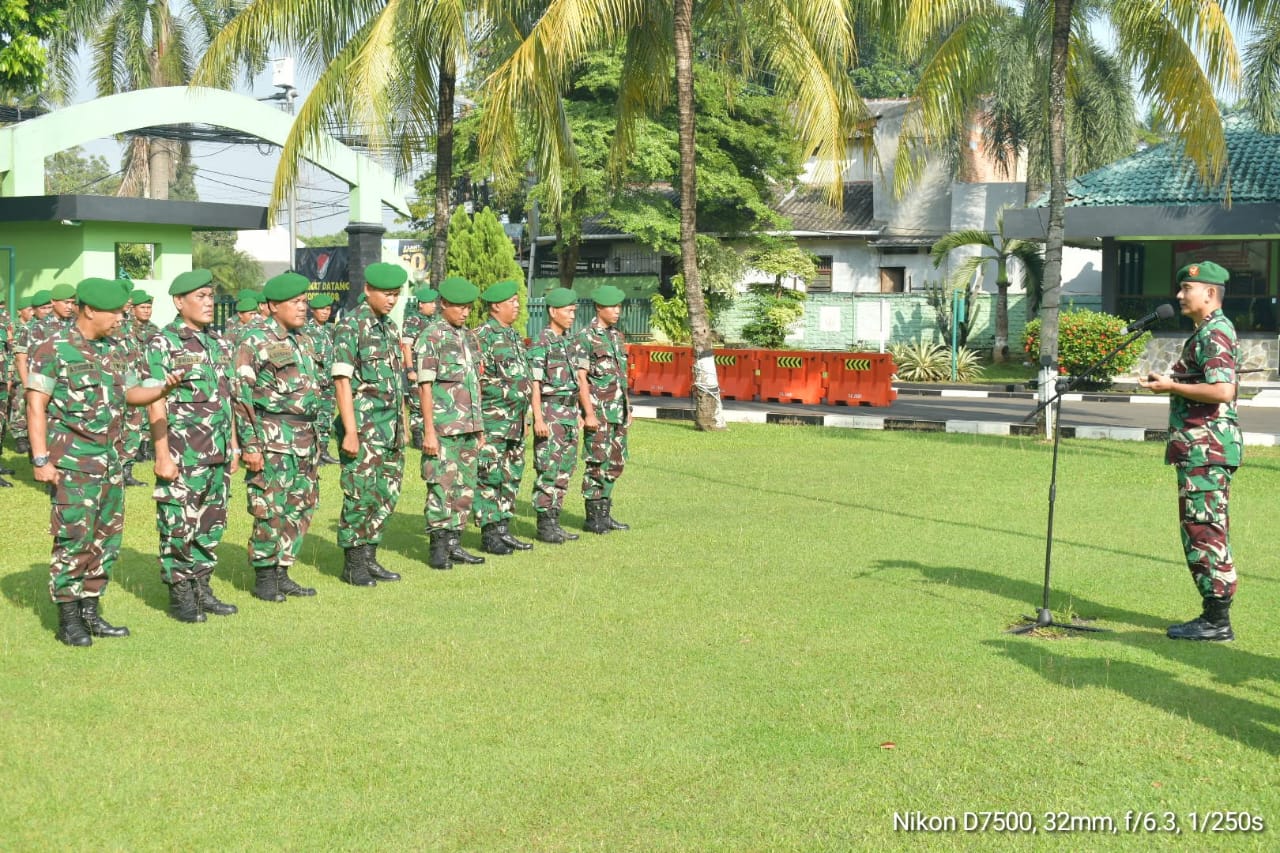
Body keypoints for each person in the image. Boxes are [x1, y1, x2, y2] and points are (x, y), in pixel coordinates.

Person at [25, 277, 183, 646]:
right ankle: (68, 618)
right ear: (90, 309)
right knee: (74, 538)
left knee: (106, 540)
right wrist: (40, 458)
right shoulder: (53, 348)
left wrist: (163, 388)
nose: (119, 318)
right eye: (114, 311)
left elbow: (131, 393)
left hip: (110, 462)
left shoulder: (114, 349)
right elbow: (36, 405)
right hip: (73, 464)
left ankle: (91, 611)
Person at [1139, 261, 1242, 642]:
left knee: (1205, 529)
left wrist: (1172, 387)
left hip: (1207, 450)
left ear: (1209, 293)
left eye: (1187, 289)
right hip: (1202, 449)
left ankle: (1216, 621)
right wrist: (1173, 381)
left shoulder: (1214, 332)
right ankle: (1214, 615)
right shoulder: (1208, 331)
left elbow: (1222, 390)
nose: (1180, 296)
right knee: (1202, 527)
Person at [147, 269, 240, 622]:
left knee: (210, 524)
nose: (208, 302)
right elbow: (155, 402)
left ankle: (202, 587)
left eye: (210, 295)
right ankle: (181, 595)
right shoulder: (163, 343)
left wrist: (231, 444)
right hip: (182, 454)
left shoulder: (218, 343)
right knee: (178, 525)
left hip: (216, 452)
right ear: (178, 301)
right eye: (200, 296)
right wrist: (161, 455)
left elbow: (225, 398)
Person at [233, 272, 325, 602]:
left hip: (304, 438)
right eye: (295, 302)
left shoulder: (304, 339)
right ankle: (264, 577)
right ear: (273, 306)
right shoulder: (254, 339)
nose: (303, 308)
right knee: (269, 508)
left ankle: (283, 570)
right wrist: (251, 445)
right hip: (273, 438)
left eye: (304, 302)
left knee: (300, 507)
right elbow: (241, 395)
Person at [332, 262, 408, 586]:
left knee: (385, 494)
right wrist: (350, 431)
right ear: (368, 291)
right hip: (364, 428)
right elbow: (341, 380)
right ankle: (353, 563)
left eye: (396, 295)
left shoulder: (390, 328)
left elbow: (396, 381)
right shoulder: (352, 326)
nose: (391, 300)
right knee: (360, 495)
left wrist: (402, 422)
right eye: (386, 294)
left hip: (390, 429)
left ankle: (370, 557)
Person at [416, 276, 485, 570]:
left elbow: (473, 384)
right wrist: (428, 431)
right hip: (444, 428)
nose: (465, 312)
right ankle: (438, 548)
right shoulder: (432, 337)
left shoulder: (468, 337)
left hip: (468, 427)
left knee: (464, 488)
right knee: (442, 486)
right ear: (443, 304)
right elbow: (425, 386)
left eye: (468, 307)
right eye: (459, 307)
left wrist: (479, 426)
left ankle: (455, 542)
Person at [471, 280, 534, 555]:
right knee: (490, 475)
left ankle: (504, 529)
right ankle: (489, 533)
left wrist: (527, 415)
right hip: (493, 421)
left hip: (516, 421)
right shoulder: (481, 337)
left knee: (511, 475)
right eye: (513, 302)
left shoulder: (513, 337)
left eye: (517, 301)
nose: (517, 306)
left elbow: (523, 379)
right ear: (496, 306)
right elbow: (476, 382)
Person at [528, 288, 593, 544]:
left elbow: (577, 380)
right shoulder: (541, 342)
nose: (572, 316)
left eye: (574, 312)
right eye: (568, 311)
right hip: (551, 412)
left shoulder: (569, 342)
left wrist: (578, 411)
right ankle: (545, 526)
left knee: (565, 470)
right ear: (553, 312)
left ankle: (555, 521)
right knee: (548, 469)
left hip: (568, 413)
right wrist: (539, 418)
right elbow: (534, 382)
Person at [577, 284, 632, 534]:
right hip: (598, 413)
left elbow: (621, 376)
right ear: (599, 308)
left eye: (619, 306)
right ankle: (593, 517)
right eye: (613, 306)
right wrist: (588, 413)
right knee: (597, 462)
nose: (617, 311)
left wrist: (627, 408)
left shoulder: (616, 337)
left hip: (617, 411)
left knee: (615, 462)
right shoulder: (585, 337)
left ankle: (605, 513)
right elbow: (581, 378)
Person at [10, 289, 55, 454]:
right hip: (32, 377)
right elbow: (20, 358)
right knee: (23, 407)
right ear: (35, 310)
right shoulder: (27, 328)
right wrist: (26, 383)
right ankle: (22, 438)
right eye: (43, 308)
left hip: (51, 377)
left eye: (49, 307)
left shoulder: (57, 327)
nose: (47, 311)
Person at [401, 284, 438, 450]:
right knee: (417, 403)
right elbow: (407, 346)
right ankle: (417, 434)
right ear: (421, 304)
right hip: (417, 368)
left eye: (434, 302)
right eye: (431, 302)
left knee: (431, 402)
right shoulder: (412, 320)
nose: (434, 305)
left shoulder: (435, 321)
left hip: (433, 369)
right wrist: (410, 370)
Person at [304, 293, 339, 465]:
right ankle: (314, 450)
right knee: (314, 418)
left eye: (327, 309)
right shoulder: (306, 331)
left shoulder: (331, 330)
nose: (325, 312)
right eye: (321, 309)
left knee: (327, 417)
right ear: (312, 310)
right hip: (315, 383)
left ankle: (324, 450)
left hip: (329, 383)